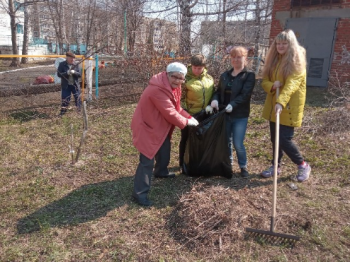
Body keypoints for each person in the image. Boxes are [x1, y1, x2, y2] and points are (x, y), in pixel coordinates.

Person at [131, 62, 199, 207]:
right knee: (147, 160)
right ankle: (139, 194)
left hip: (158, 126)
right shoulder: (157, 89)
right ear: (167, 74)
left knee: (164, 149)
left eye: (181, 78)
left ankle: (161, 171)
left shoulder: (174, 87)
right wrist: (186, 123)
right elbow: (169, 112)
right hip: (147, 126)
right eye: (175, 77)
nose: (178, 81)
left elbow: (177, 108)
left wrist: (188, 117)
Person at [260, 29, 311, 182]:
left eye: (284, 43)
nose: (280, 46)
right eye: (278, 43)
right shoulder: (274, 60)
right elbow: (264, 82)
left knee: (284, 139)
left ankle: (303, 165)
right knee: (275, 139)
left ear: (291, 44)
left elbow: (291, 85)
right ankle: (276, 166)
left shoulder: (297, 62)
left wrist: (281, 102)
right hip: (274, 106)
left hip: (288, 107)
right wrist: (272, 85)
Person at [208, 46, 255, 178]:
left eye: (239, 57)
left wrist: (232, 105)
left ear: (245, 58)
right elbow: (218, 91)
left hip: (240, 115)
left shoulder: (249, 76)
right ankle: (228, 164)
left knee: (238, 143)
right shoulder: (225, 75)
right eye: (233, 57)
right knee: (226, 141)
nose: (235, 60)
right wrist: (215, 100)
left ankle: (243, 166)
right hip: (224, 114)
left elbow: (245, 95)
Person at [179, 54, 214, 173]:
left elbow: (213, 92)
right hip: (190, 114)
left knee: (202, 138)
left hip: (206, 114)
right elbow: (180, 97)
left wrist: (211, 104)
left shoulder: (209, 78)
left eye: (199, 68)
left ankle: (197, 160)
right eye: (194, 68)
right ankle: (182, 162)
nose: (197, 70)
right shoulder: (185, 79)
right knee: (186, 138)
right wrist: (185, 112)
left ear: (204, 67)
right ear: (191, 66)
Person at [57, 51, 81, 116]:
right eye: (71, 58)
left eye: (73, 59)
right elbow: (59, 74)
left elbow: (79, 74)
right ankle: (63, 113)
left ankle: (79, 112)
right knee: (65, 99)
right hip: (66, 86)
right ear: (67, 58)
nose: (72, 60)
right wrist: (66, 73)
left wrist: (74, 72)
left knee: (78, 98)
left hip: (75, 85)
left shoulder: (76, 64)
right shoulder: (62, 64)